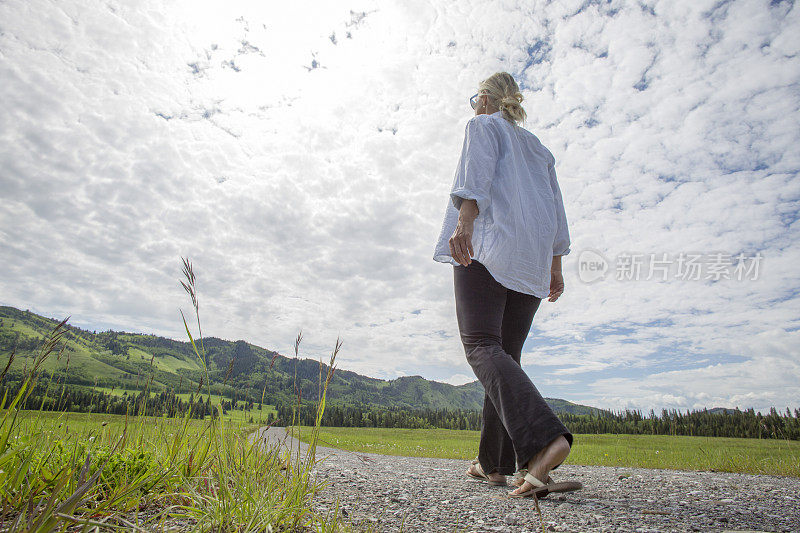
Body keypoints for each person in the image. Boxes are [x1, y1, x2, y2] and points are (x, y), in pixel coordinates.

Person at [432, 72, 582, 498]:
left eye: (474, 100)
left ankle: (542, 444)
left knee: (481, 346)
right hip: (531, 262)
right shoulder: (540, 150)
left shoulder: (482, 126)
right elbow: (558, 214)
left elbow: (473, 181)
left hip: (489, 249)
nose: (473, 107)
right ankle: (492, 463)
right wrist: (555, 267)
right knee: (505, 357)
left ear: (484, 98)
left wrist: (463, 225)